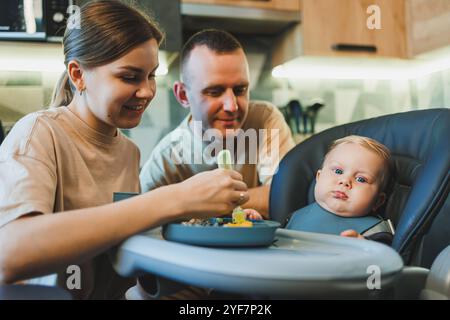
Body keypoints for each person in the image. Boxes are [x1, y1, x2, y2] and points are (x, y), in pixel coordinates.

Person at [0, 1, 250, 300]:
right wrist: (177, 198)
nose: (146, 91)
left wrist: (208, 226)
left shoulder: (127, 151)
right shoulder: (39, 133)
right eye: (129, 77)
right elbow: (10, 254)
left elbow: (119, 263)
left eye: (151, 75)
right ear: (78, 75)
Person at [140, 29, 295, 218]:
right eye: (214, 91)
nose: (232, 106)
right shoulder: (165, 160)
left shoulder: (264, 119)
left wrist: (197, 204)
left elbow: (285, 197)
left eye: (240, 89)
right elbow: (140, 217)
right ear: (182, 95)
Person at [286, 135, 395, 245]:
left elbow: (384, 260)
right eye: (338, 171)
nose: (345, 181)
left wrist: (364, 248)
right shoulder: (296, 216)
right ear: (319, 177)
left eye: (361, 179)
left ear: (378, 200)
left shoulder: (376, 233)